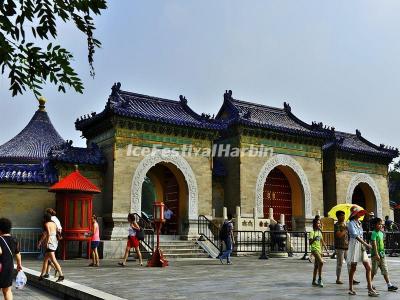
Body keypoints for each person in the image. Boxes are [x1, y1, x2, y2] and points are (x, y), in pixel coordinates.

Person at [347, 206, 377, 296]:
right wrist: (366, 244)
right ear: (354, 214)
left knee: (368, 267)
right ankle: (351, 288)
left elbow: (361, 235)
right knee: (353, 267)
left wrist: (364, 244)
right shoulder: (350, 223)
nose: (360, 214)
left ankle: (370, 288)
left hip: (361, 246)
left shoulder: (359, 222)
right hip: (354, 245)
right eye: (358, 213)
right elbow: (355, 235)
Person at [370, 218, 398, 292]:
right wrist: (376, 254)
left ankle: (389, 285)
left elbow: (382, 243)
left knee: (385, 270)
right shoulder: (374, 233)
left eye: (381, 224)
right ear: (374, 225)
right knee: (374, 271)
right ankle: (369, 284)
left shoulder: (381, 233)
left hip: (382, 254)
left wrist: (382, 253)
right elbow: (374, 244)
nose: (381, 225)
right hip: (375, 255)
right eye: (379, 224)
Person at [0, 218, 23, 300]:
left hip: (1, 267)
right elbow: (17, 253)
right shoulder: (14, 239)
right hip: (9, 267)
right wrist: (19, 264)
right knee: (7, 290)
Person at [38, 213, 64, 282]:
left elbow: (48, 233)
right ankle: (41, 275)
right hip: (54, 241)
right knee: (46, 260)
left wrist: (46, 242)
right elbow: (56, 232)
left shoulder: (46, 224)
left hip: (50, 242)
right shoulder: (54, 223)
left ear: (45, 218)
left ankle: (61, 275)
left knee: (53, 260)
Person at [309, 218, 329, 287]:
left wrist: (326, 249)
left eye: (319, 223)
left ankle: (313, 281)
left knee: (316, 266)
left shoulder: (319, 232)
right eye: (318, 223)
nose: (319, 224)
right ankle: (320, 279)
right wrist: (314, 238)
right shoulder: (312, 232)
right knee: (321, 262)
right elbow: (310, 242)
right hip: (314, 250)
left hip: (319, 250)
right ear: (314, 224)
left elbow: (322, 241)